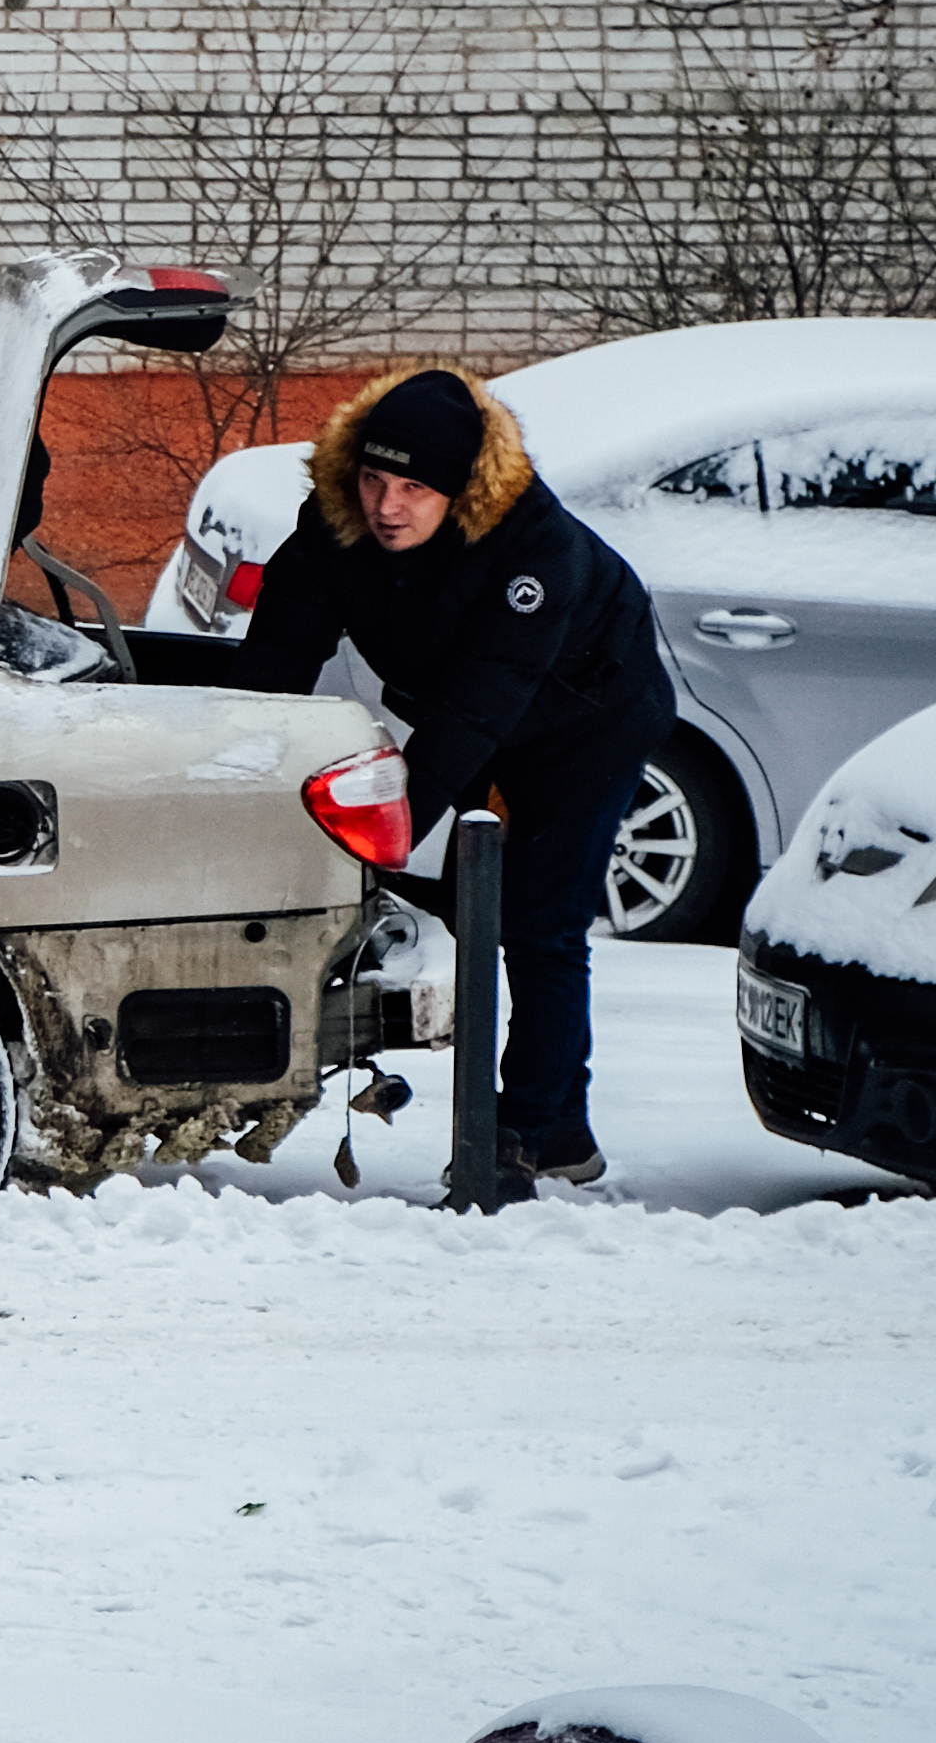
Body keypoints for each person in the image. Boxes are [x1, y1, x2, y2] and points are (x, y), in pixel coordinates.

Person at [231, 365, 674, 1187]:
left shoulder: (533, 547)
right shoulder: (338, 521)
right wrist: (233, 777)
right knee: (482, 912)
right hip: (478, 709)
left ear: (461, 488)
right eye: (372, 478)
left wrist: (380, 838)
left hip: (588, 718)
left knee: (537, 921)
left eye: (412, 487)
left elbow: (472, 714)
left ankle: (528, 1133)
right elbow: (280, 652)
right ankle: (561, 1127)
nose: (385, 505)